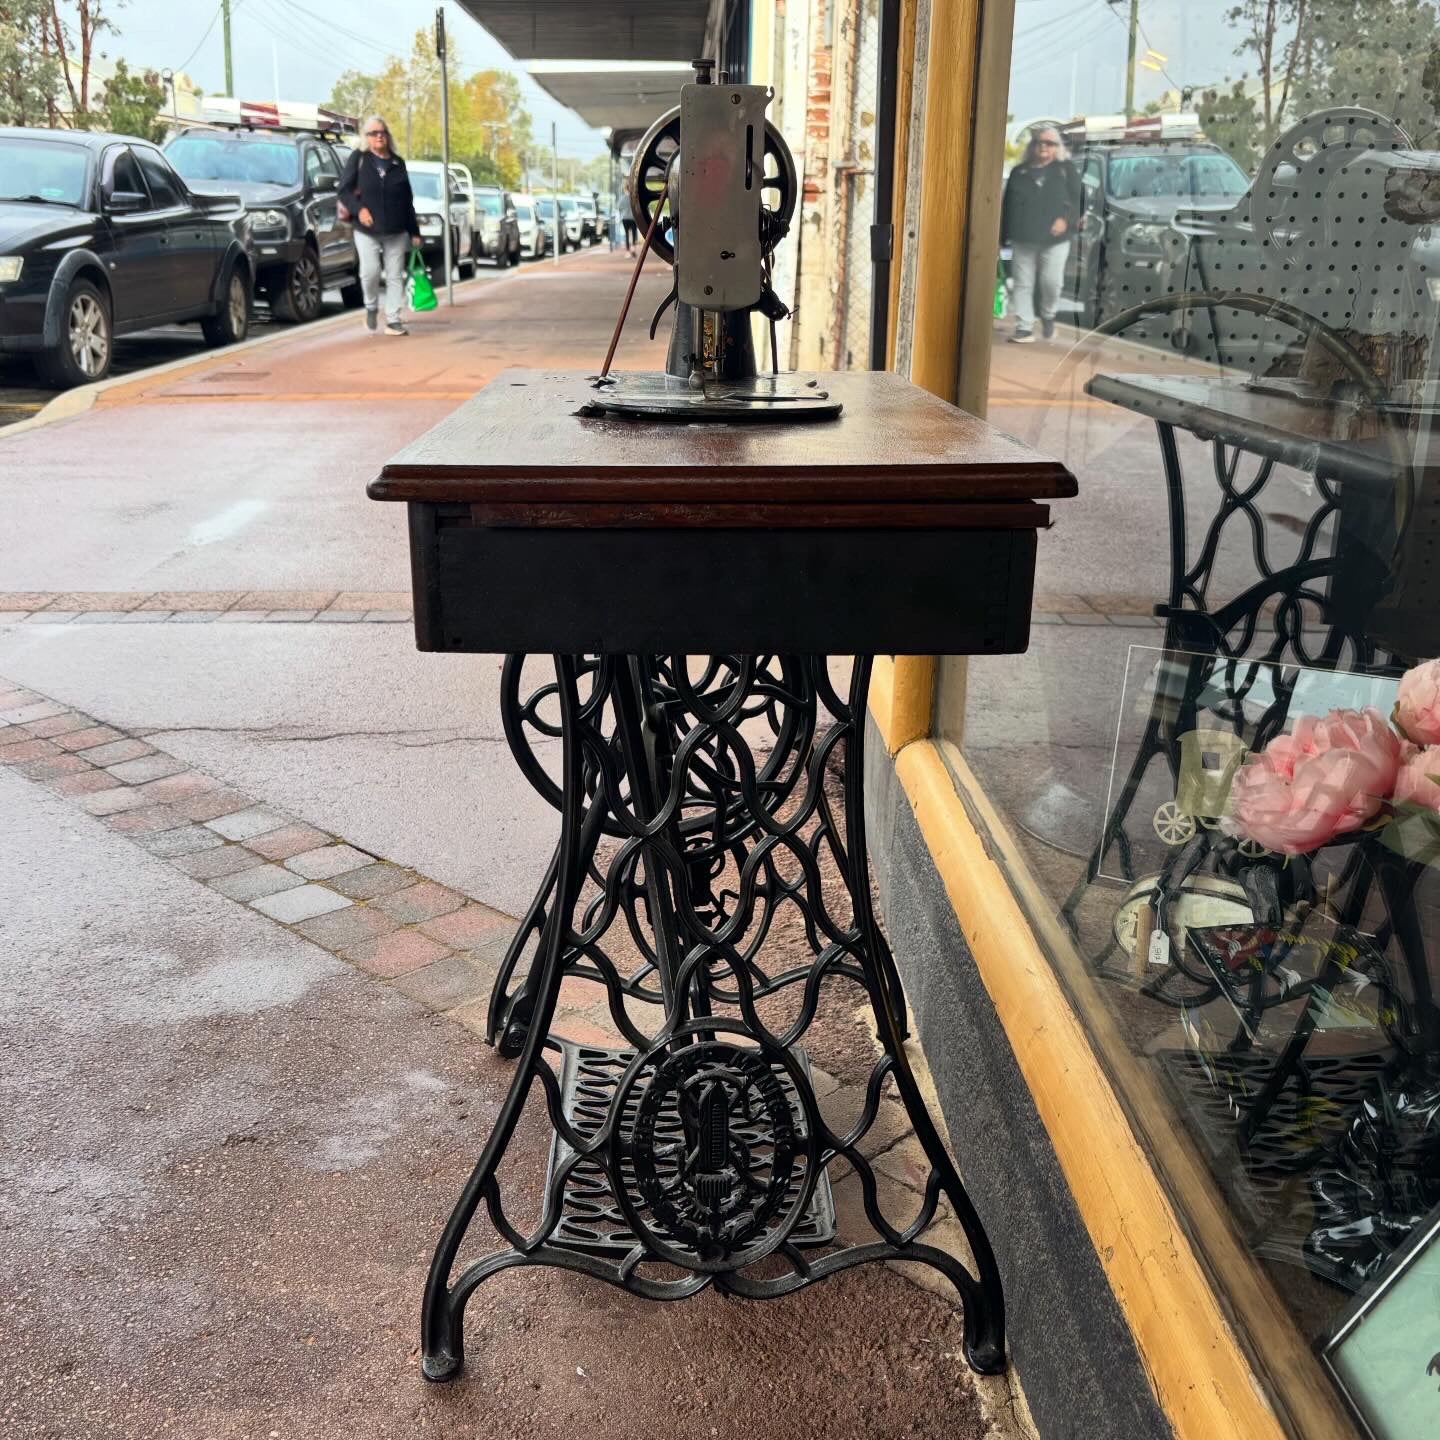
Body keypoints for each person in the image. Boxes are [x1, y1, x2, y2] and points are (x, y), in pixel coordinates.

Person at [337, 115, 421, 336]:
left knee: (394, 276)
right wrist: (359, 209)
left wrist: (414, 231)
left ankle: (393, 319)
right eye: (374, 133)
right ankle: (371, 306)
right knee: (370, 271)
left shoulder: (397, 162)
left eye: (382, 132)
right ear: (366, 137)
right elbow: (344, 190)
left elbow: (407, 199)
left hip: (396, 229)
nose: (379, 136)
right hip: (366, 229)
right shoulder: (359, 159)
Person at [999, 126, 1080, 343]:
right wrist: (1001, 238)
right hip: (1023, 237)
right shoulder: (1019, 171)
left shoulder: (1066, 170)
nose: (1043, 147)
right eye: (1038, 142)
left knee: (1051, 282)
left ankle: (1048, 315)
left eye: (1049, 143)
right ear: (1032, 146)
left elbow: (1080, 201)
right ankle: (1024, 327)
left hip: (1055, 240)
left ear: (1057, 147)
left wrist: (1066, 220)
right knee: (1023, 283)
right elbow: (1007, 206)